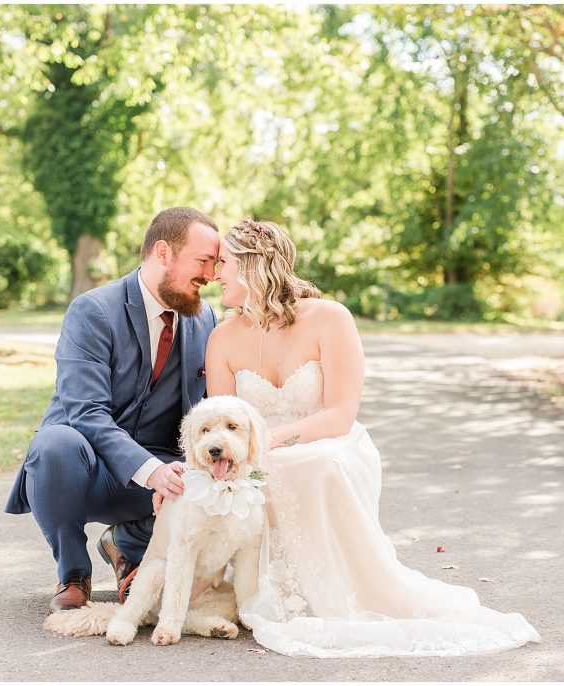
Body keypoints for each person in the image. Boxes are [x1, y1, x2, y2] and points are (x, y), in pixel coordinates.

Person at [203, 217, 540, 657]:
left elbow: (340, 415)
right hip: (259, 455)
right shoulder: (222, 337)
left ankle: (341, 593)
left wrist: (271, 441)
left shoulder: (329, 318)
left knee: (318, 464)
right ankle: (272, 587)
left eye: (223, 263)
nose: (214, 274)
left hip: (330, 444)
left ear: (252, 266)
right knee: (263, 471)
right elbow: (221, 422)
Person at [5, 207, 220, 612]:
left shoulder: (204, 317)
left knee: (208, 466)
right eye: (203, 261)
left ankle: (127, 547)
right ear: (163, 253)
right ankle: (73, 572)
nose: (210, 275)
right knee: (55, 444)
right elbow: (85, 412)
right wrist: (150, 470)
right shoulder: (93, 310)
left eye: (215, 263)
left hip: (160, 477)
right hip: (85, 470)